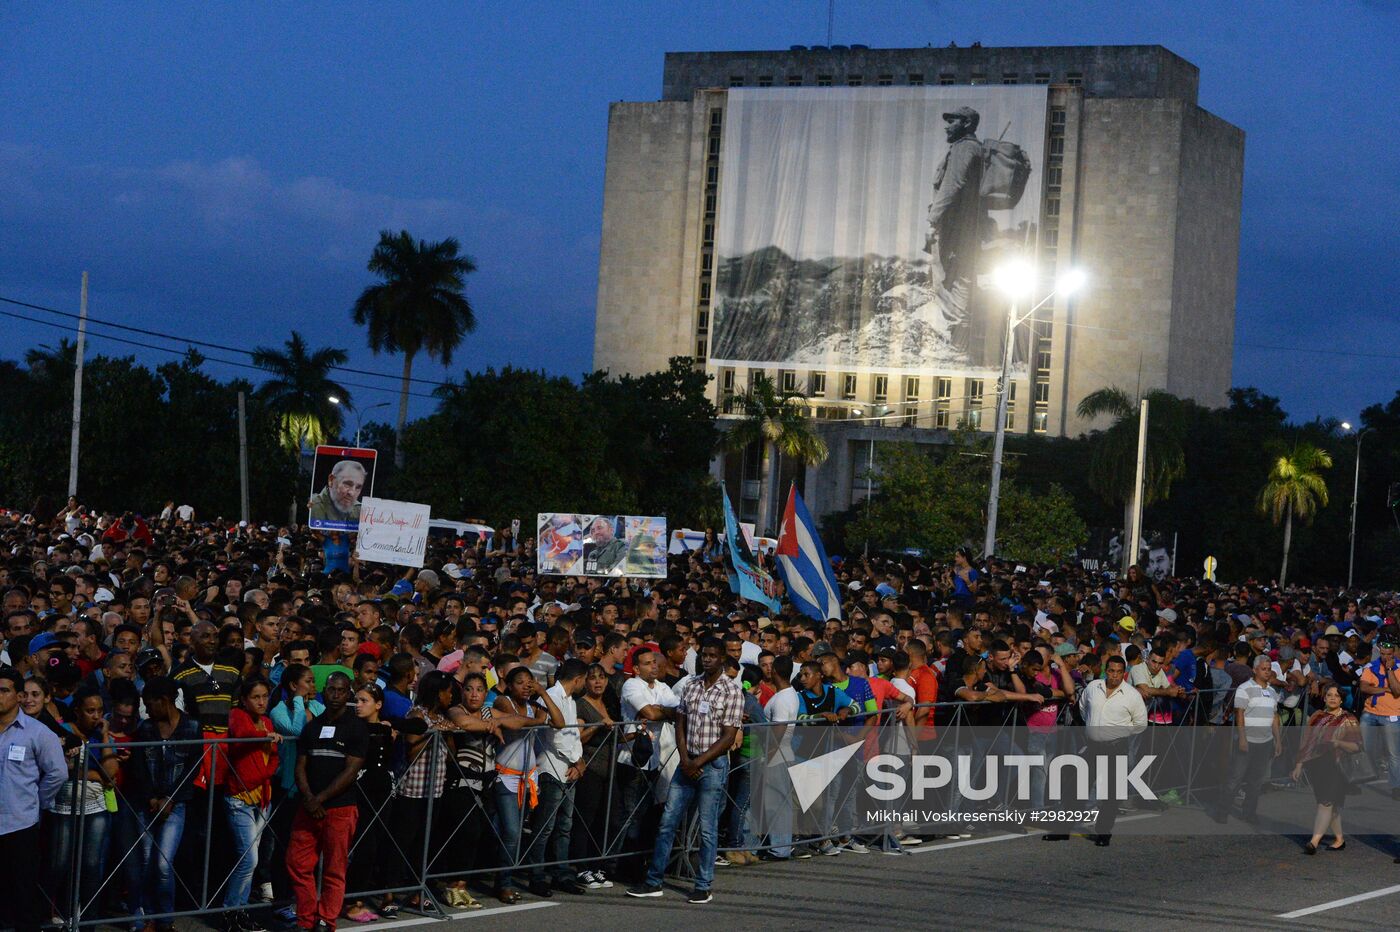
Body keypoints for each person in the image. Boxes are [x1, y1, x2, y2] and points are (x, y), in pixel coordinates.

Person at [627, 638, 742, 905]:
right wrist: (685, 757)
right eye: (704, 655)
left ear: (722, 658)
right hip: (686, 762)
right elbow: (680, 721)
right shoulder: (691, 684)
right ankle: (654, 881)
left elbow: (728, 737)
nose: (708, 659)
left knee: (707, 828)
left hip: (711, 765)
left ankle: (703, 884)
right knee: (668, 822)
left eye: (713, 655)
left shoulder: (732, 691)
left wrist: (697, 762)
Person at [286, 672, 367, 932]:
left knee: (334, 867)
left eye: (340, 691)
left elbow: (351, 771)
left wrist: (319, 799)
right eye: (331, 690)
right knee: (297, 862)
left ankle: (325, 919)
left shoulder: (356, 728)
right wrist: (309, 798)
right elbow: (300, 766)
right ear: (324, 691)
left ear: (348, 694)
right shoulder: (312, 727)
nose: (335, 695)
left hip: (340, 807)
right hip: (309, 807)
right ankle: (307, 917)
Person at [127, 676, 202, 932]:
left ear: (165, 701)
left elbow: (192, 768)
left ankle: (165, 919)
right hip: (146, 803)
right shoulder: (145, 729)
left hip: (176, 804)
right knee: (148, 861)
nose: (147, 709)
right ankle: (149, 917)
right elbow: (138, 766)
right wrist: (150, 796)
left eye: (150, 703)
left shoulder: (192, 726)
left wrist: (170, 798)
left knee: (162, 863)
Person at [0, 666, 67, 932]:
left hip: (20, 826)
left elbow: (57, 773)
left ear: (18, 696)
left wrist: (37, 802)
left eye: (4, 690)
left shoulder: (38, 733)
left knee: (23, 897)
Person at [491, 666, 565, 903]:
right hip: (506, 777)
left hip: (528, 777)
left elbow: (559, 722)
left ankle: (504, 877)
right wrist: (538, 719)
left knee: (514, 833)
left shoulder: (535, 705)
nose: (525, 686)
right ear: (510, 686)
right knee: (511, 833)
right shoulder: (504, 702)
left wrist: (543, 693)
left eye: (529, 682)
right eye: (520, 682)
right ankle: (503, 883)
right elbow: (518, 723)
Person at [923, 107, 985, 358]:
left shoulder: (965, 148)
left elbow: (952, 185)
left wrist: (933, 220)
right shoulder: (966, 148)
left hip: (955, 226)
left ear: (967, 123)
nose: (947, 125)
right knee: (957, 278)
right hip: (963, 225)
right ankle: (958, 343)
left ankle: (959, 344)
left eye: (953, 120)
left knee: (951, 279)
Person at [222, 677, 281, 932]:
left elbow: (274, 759)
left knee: (251, 860)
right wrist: (266, 737)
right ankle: (230, 911)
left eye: (264, 696)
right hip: (239, 798)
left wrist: (263, 774)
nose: (261, 701)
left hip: (262, 798)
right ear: (244, 700)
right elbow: (245, 736)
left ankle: (240, 911)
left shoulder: (267, 722)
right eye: (255, 697)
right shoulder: (237, 715)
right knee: (249, 859)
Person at [1076, 655, 1147, 846]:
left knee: (1110, 792)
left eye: (1118, 672)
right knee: (1080, 782)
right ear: (1105, 671)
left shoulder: (1132, 695)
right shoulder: (1093, 687)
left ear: (1123, 673)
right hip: (1092, 745)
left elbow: (1140, 723)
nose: (1114, 675)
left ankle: (1103, 831)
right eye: (1111, 671)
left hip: (1115, 746)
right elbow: (1083, 708)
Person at [344, 684, 395, 922]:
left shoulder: (385, 727)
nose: (358, 705)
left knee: (377, 845)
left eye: (364, 700)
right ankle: (352, 900)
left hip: (382, 790)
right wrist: (379, 728)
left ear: (378, 705)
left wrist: (390, 727)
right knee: (362, 846)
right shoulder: (354, 727)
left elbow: (418, 725)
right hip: (359, 791)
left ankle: (370, 896)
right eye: (357, 700)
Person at [1291, 682, 1360, 854]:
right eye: (1329, 695)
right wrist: (1299, 765)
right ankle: (1339, 839)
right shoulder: (1317, 716)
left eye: (1336, 696)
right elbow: (1306, 742)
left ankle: (1314, 841)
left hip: (1337, 766)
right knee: (1330, 805)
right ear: (1324, 698)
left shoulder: (1348, 719)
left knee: (1325, 803)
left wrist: (1338, 742)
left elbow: (1357, 746)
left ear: (1342, 700)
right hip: (1317, 766)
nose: (1333, 698)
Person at [1214, 655, 1281, 825]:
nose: (1267, 672)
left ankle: (1249, 812)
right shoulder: (1245, 688)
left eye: (1269, 669)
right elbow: (1239, 714)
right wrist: (1242, 737)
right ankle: (1222, 810)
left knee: (1256, 781)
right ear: (1255, 669)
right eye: (1263, 669)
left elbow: (1274, 717)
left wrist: (1277, 740)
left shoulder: (1272, 692)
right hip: (1247, 740)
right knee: (1235, 778)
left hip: (1265, 742)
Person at [1357, 630, 1400, 800]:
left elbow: (1397, 691)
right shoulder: (1371, 667)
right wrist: (1384, 689)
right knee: (1363, 748)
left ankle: (1396, 786)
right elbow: (1364, 687)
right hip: (1370, 713)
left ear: (1394, 652)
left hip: (1392, 715)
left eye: (1388, 654)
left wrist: (1389, 670)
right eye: (1382, 654)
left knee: (1393, 753)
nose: (1385, 657)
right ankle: (1358, 780)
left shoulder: (1398, 668)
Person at [308, 460, 367, 527]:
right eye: (347, 484)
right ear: (331, 480)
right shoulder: (314, 506)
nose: (352, 493)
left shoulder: (360, 510)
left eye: (358, 487)